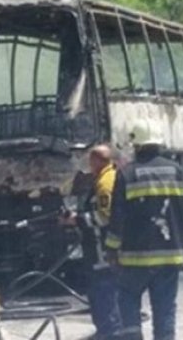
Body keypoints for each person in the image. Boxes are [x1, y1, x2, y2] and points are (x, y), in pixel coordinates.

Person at [105, 119, 183, 340]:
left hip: (133, 259)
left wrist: (111, 250)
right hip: (169, 256)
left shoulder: (127, 174)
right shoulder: (176, 171)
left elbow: (117, 216)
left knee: (128, 305)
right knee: (165, 311)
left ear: (136, 145)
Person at [60, 145, 122, 340]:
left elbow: (105, 217)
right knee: (103, 289)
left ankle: (109, 332)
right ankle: (108, 330)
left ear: (98, 161)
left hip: (100, 249)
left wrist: (76, 220)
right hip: (101, 246)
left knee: (102, 290)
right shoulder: (108, 177)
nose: (89, 165)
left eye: (91, 160)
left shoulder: (105, 183)